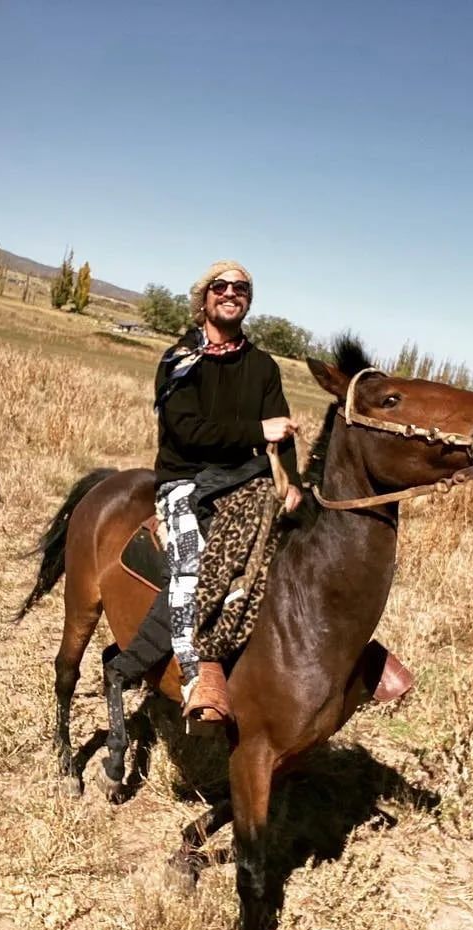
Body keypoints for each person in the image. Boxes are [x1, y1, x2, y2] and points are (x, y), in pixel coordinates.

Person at [152, 261, 301, 723]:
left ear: (248, 301)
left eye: (241, 288)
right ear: (205, 299)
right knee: (191, 561)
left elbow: (284, 434)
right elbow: (187, 433)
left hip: (249, 481)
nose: (230, 293)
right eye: (221, 286)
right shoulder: (179, 362)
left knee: (304, 552)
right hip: (186, 479)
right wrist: (257, 428)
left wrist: (291, 482)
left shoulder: (263, 367)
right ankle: (199, 672)